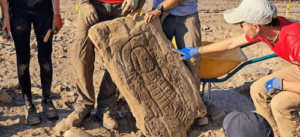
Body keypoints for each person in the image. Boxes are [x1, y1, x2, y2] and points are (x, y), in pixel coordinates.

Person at [174, 0, 300, 136]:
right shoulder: (267, 30)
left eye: (242, 24)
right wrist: (197, 50)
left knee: (280, 104)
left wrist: (283, 84)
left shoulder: (295, 41)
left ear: (256, 26)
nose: (241, 27)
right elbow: (232, 43)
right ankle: (272, 133)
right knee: (258, 89)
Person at [60, 0, 144, 130]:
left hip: (123, 8)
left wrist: (139, 4)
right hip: (93, 5)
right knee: (82, 55)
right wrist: (83, 3)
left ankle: (106, 108)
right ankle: (84, 105)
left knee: (117, 57)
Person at [144, 0, 226, 125]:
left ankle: (196, 109)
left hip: (186, 14)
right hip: (160, 15)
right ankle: (161, 108)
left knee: (192, 60)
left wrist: (160, 9)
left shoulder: (162, 9)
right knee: (159, 60)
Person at [6, 0, 62, 125]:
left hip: (43, 8)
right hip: (18, 9)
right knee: (23, 62)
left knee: (45, 60)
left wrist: (57, 14)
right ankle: (28, 104)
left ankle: (47, 100)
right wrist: (5, 17)